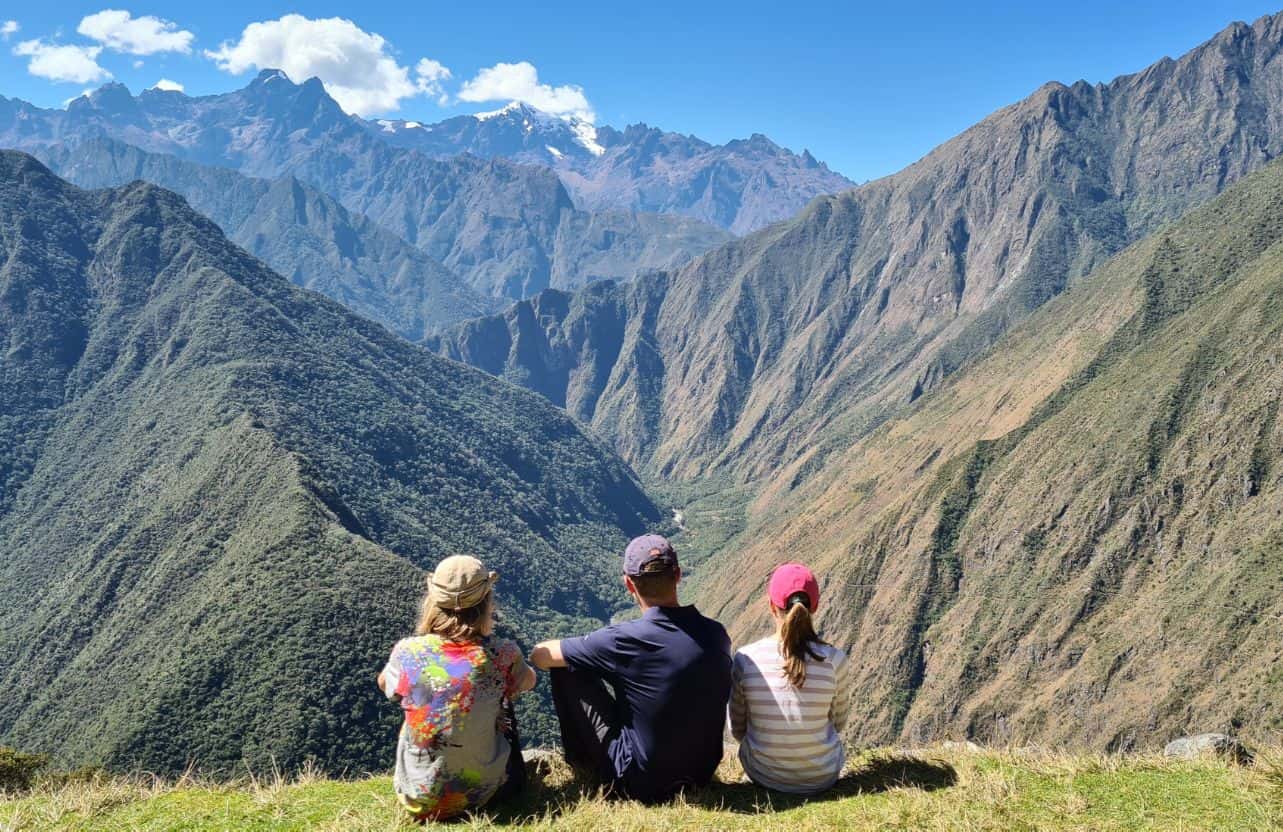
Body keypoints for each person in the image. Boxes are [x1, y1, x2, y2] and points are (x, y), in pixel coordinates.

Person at [529, 534, 732, 803]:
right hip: (701, 774)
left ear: (629, 584)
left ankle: (583, 765)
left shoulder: (621, 641)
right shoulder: (717, 634)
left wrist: (592, 656)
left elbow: (540, 656)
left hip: (641, 783)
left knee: (567, 667)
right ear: (679, 575)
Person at [378, 555, 537, 822]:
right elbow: (528, 681)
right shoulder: (502, 654)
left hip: (418, 799)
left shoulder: (409, 652)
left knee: (416, 703)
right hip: (485, 793)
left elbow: (386, 685)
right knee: (504, 703)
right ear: (487, 602)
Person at [728, 562, 852, 794]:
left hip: (763, 775)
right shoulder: (835, 660)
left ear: (771, 607)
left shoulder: (747, 658)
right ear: (814, 607)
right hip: (822, 775)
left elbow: (737, 729)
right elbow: (839, 722)